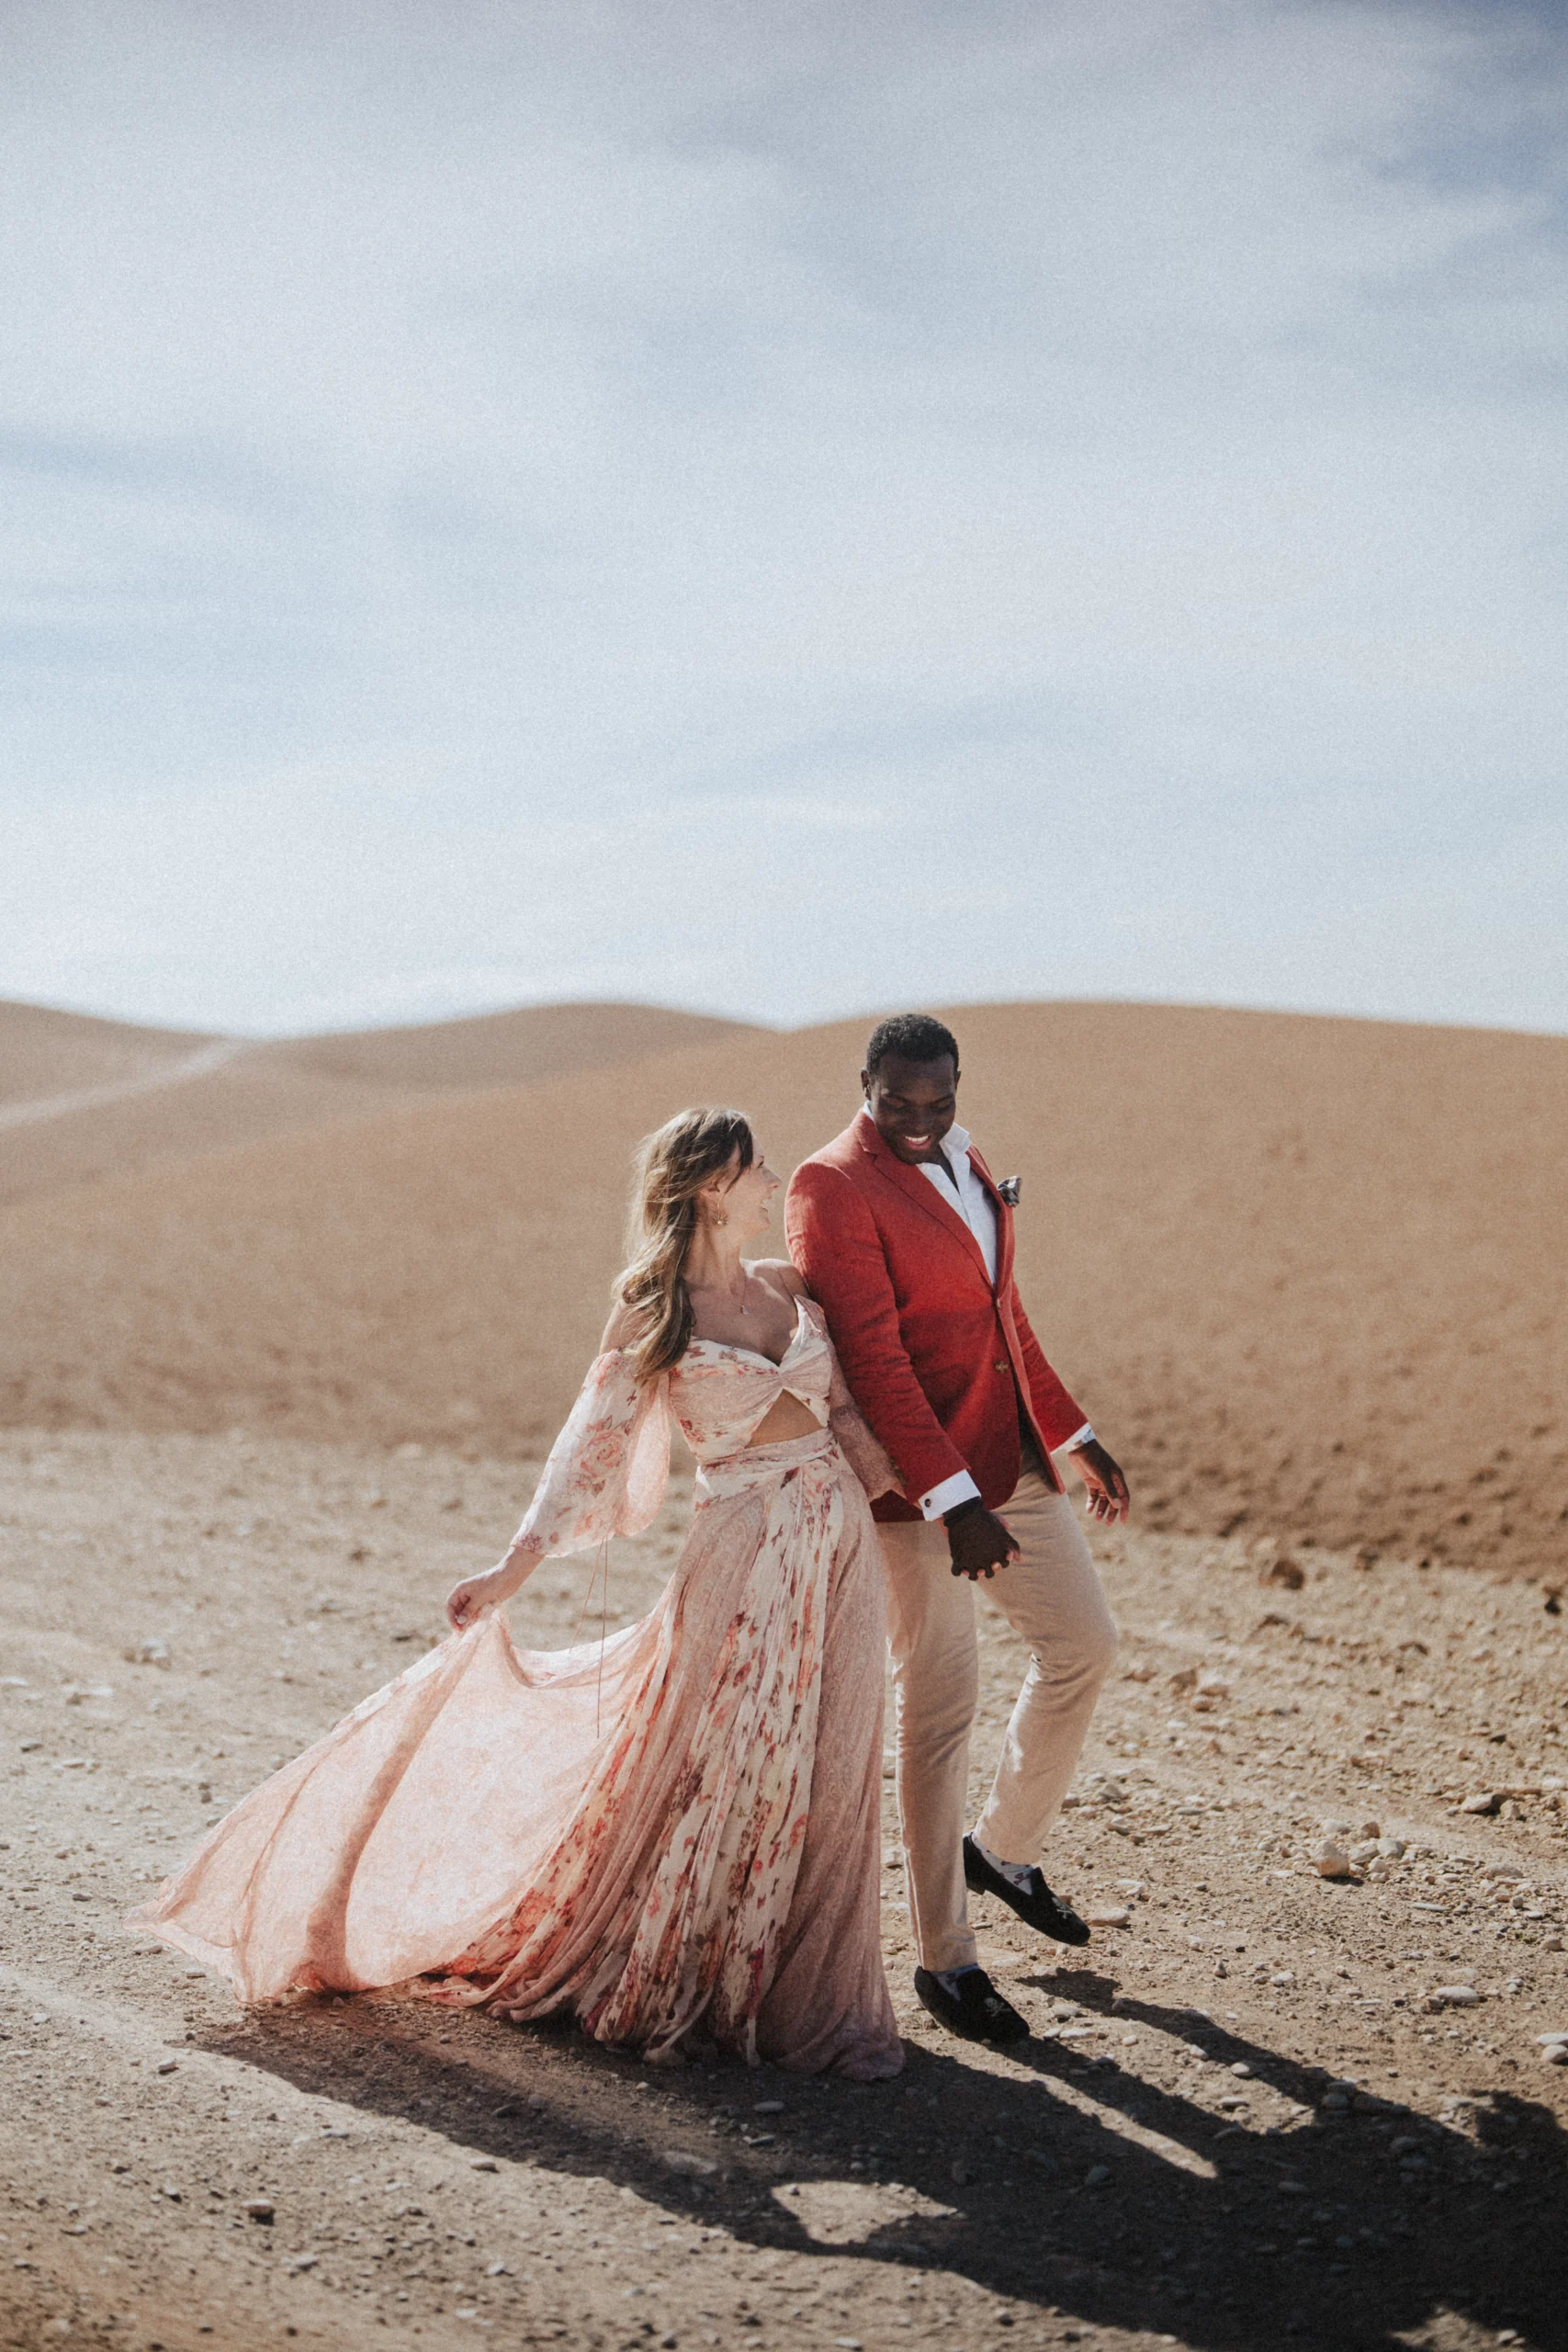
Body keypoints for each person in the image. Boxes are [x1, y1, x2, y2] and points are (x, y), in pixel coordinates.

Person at [130, 1109, 905, 2081]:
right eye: (758, 1169)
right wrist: (511, 1567)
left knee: (833, 1759)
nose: (773, 1181)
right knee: (726, 1760)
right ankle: (701, 1968)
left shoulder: (791, 1286)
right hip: (743, 1548)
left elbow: (852, 1405)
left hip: (839, 1538)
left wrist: (930, 1497)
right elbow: (587, 1456)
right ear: (713, 1185)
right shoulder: (650, 1310)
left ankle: (808, 1984)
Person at [786, 1014, 1129, 2047]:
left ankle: (1005, 1849)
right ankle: (947, 1959)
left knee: (1085, 1645)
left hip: (1007, 1450)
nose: (922, 1122)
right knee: (940, 1712)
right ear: (866, 1086)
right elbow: (876, 1357)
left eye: (938, 1100)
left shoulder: (965, 1150)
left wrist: (1072, 1429)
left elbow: (1000, 1309)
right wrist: (950, 1500)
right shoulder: (830, 1184)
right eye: (900, 1104)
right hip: (912, 1485)